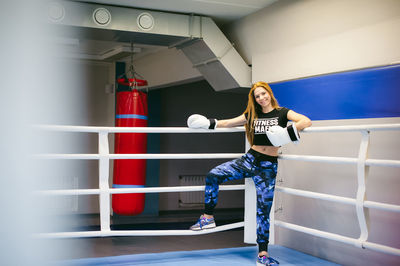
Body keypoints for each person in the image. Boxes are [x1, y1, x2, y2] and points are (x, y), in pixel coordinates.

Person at [186, 81, 312, 266]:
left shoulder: (283, 113)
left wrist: (288, 132)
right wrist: (207, 124)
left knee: (263, 211)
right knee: (214, 175)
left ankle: (263, 255)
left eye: (263, 94)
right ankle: (208, 217)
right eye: (257, 96)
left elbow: (306, 120)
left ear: (269, 93)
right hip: (250, 159)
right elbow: (229, 122)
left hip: (268, 166)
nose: (261, 98)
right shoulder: (252, 114)